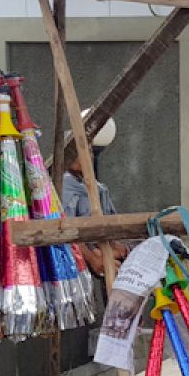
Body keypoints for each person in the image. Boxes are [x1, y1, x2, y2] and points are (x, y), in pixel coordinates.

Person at [61, 113, 130, 276]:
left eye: (90, 152)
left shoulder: (98, 187)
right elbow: (68, 230)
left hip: (101, 244)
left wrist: (115, 245)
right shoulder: (64, 185)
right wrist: (93, 258)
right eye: (78, 152)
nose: (87, 157)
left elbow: (111, 221)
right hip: (80, 252)